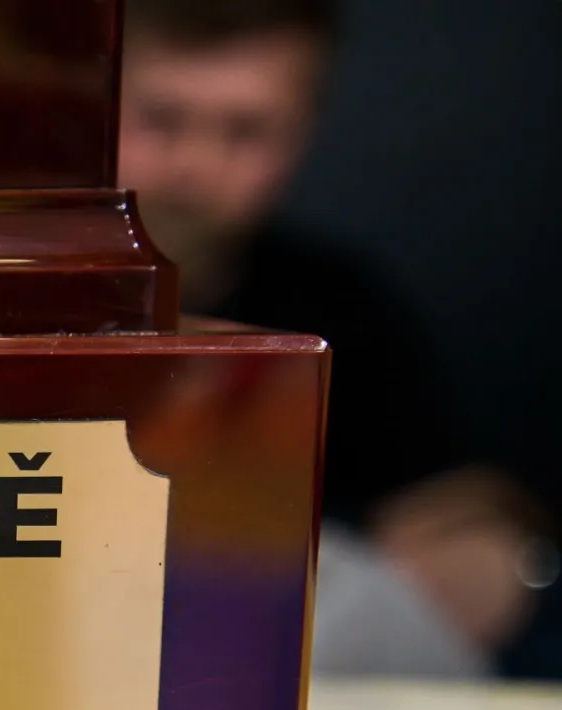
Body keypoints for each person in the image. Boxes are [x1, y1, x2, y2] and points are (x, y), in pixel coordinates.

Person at [119, 0, 553, 674]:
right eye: (161, 118)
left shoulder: (341, 309)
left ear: (304, 132)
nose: (194, 167)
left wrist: (490, 554)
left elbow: (458, 513)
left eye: (247, 131)